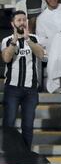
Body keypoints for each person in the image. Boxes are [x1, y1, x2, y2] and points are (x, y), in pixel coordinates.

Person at [2, 11, 45, 149]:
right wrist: (15, 41)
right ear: (12, 23)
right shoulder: (7, 40)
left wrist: (28, 40)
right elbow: (6, 58)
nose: (22, 22)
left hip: (30, 90)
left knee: (28, 124)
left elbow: (40, 54)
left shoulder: (34, 38)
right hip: (12, 89)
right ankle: (7, 152)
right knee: (9, 122)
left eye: (24, 20)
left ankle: (26, 153)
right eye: (19, 20)